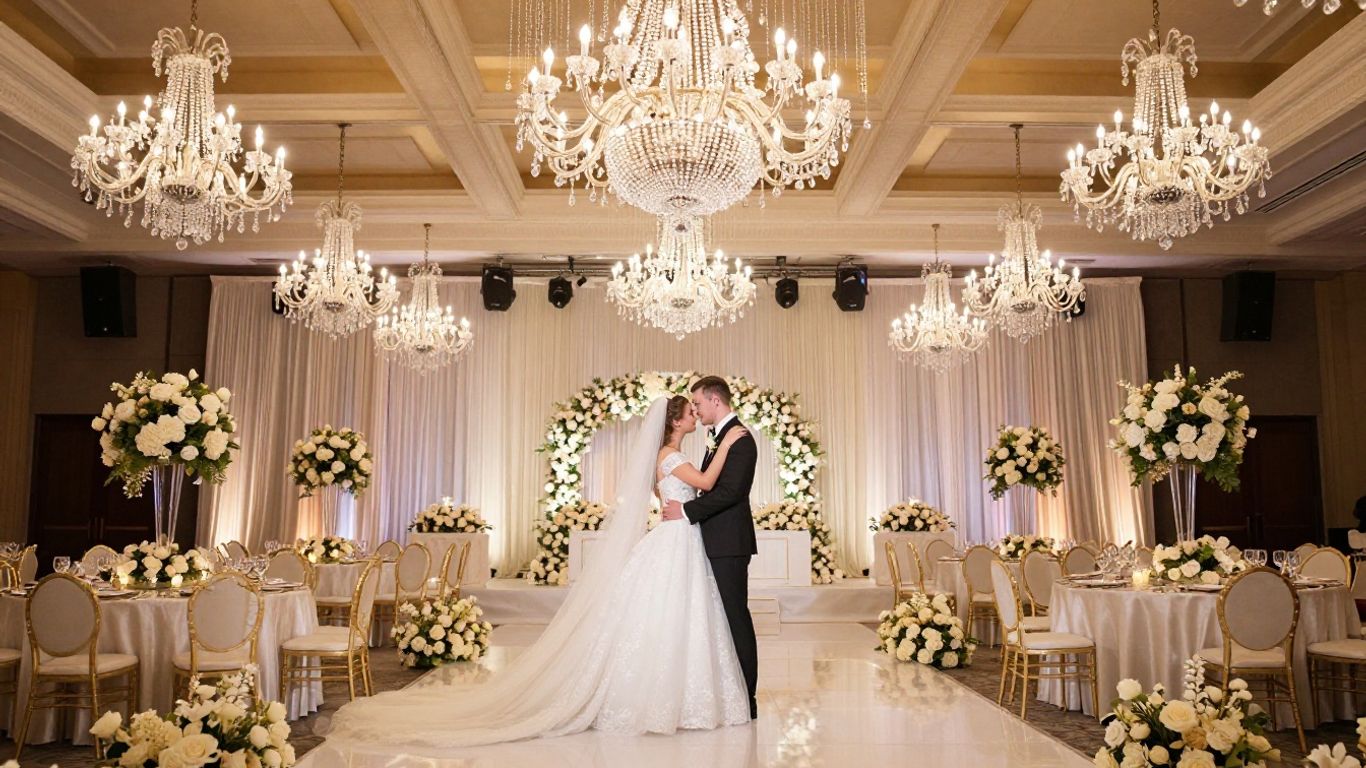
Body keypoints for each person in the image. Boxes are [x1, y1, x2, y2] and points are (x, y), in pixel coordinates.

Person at [321, 393, 752, 748]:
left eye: (699, 408)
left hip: (678, 539)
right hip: (675, 541)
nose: (696, 414)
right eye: (691, 411)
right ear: (676, 421)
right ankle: (659, 697)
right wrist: (729, 446)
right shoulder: (672, 456)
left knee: (674, 617)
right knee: (667, 616)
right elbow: (710, 484)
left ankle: (671, 695)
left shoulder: (670, 454)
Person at [661, 375, 760, 720]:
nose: (697, 410)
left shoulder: (741, 439)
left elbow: (730, 492)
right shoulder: (718, 438)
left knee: (735, 618)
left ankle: (747, 698)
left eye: (699, 403)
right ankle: (726, 691)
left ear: (715, 401)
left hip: (729, 543)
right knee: (719, 620)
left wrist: (686, 510)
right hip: (710, 540)